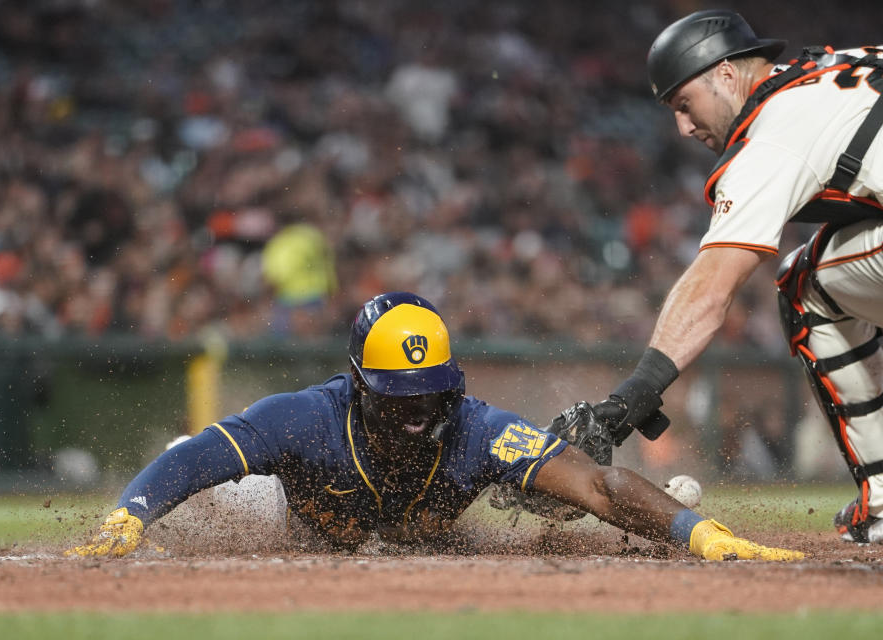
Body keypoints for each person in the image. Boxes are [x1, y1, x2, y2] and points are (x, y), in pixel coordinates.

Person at [66, 291, 801, 561]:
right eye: (398, 401)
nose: (418, 418)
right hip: (281, 521)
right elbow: (204, 453)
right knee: (183, 474)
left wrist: (698, 535)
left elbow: (604, 488)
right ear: (358, 387)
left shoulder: (481, 431)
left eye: (432, 398)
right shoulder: (304, 420)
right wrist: (132, 511)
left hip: (400, 533)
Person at [582, 9, 883, 544]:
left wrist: (637, 391)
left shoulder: (773, 132)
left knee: (803, 285)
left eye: (683, 104)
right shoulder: (840, 69)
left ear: (725, 74)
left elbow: (714, 283)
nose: (683, 126)